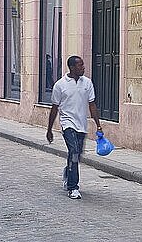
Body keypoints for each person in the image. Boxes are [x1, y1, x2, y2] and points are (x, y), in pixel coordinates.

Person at [46, 55, 102, 199]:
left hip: (81, 125)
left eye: (83, 65)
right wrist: (49, 129)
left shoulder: (87, 83)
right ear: (72, 68)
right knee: (74, 152)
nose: (83, 67)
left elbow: (92, 105)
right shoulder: (60, 85)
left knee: (76, 154)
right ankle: (73, 187)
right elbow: (54, 108)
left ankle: (68, 171)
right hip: (67, 123)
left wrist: (98, 125)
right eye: (80, 65)